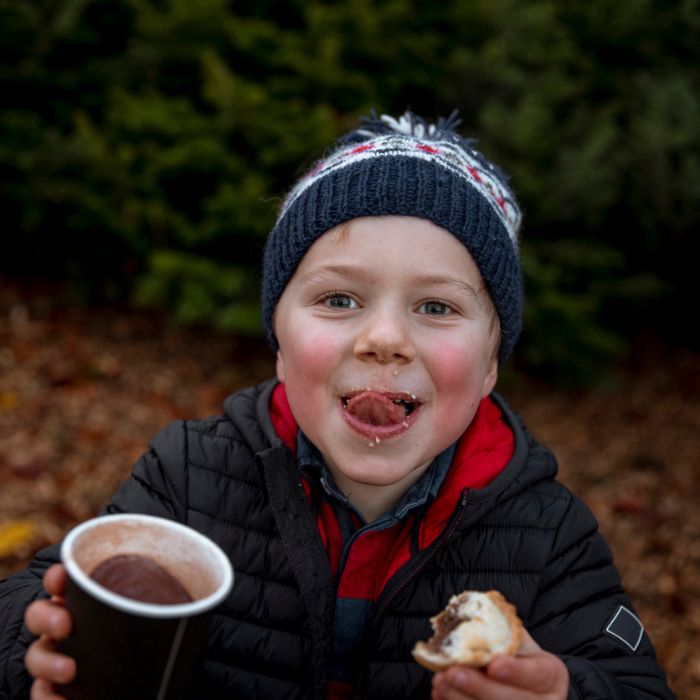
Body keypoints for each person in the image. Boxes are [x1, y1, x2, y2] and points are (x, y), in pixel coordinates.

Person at [0, 111, 675, 700]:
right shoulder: (190, 474)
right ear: (280, 345)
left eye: (436, 307)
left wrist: (562, 692)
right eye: (339, 300)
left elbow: (636, 685)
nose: (384, 339)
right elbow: (34, 597)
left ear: (492, 362)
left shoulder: (549, 534)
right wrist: (40, 647)